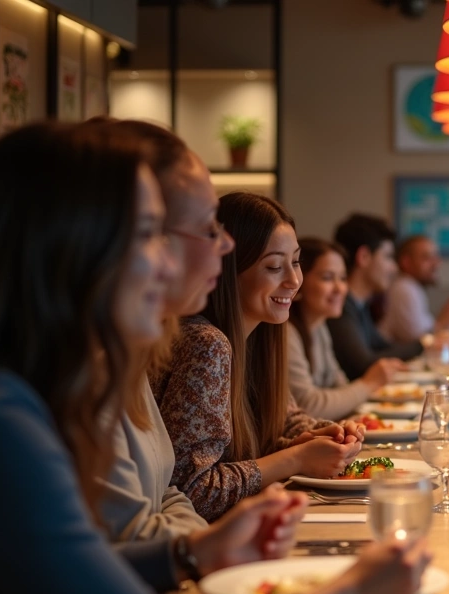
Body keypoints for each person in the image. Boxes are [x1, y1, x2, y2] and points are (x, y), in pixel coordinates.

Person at [0, 122, 427, 594]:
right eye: (151, 233)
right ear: (71, 248)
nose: (184, 257)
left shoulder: (74, 380)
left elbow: (73, 575)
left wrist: (190, 553)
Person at [154, 193, 365, 521]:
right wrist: (295, 458)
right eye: (273, 266)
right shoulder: (207, 345)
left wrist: (330, 434)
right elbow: (190, 490)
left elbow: (286, 417)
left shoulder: (262, 332)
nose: (294, 281)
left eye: (295, 262)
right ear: (227, 270)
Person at [91, 118, 230, 541]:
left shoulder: (132, 352)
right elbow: (126, 545)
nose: (226, 244)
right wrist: (201, 547)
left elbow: (167, 491)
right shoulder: (26, 392)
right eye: (209, 228)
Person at [287, 237, 404, 420]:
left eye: (342, 278)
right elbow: (308, 405)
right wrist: (368, 384)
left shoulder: (319, 327)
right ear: (299, 280)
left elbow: (339, 384)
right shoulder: (287, 333)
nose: (340, 288)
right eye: (327, 278)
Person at [328, 213, 427, 380]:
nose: (394, 268)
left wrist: (423, 344)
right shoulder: (340, 305)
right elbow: (364, 364)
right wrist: (424, 344)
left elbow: (381, 347)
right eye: (388, 257)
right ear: (364, 257)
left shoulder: (359, 304)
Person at [378, 234, 449, 343]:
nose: (436, 263)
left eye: (435, 257)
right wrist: (445, 320)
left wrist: (446, 315)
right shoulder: (404, 288)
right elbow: (420, 342)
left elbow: (425, 332)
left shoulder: (412, 287)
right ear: (406, 262)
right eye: (427, 258)